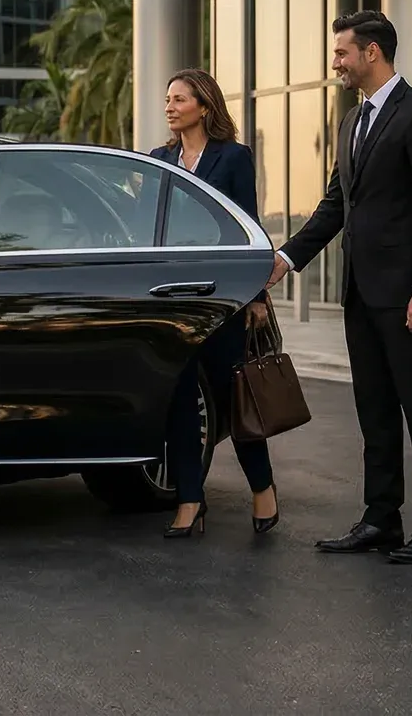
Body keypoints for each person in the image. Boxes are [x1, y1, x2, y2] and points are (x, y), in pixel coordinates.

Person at [269, 10, 412, 565]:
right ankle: (381, 519)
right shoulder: (353, 122)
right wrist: (286, 257)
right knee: (374, 411)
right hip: (361, 293)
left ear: (371, 52)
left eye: (342, 53)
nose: (336, 63)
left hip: (407, 297)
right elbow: (337, 204)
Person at [148, 69, 277, 538]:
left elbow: (250, 228)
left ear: (204, 106)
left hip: (222, 298)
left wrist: (256, 294)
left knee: (233, 395)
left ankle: (262, 487)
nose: (170, 106)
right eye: (168, 98)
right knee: (180, 401)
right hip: (173, 302)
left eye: (179, 98)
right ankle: (189, 499)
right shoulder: (158, 159)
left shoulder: (233, 157)